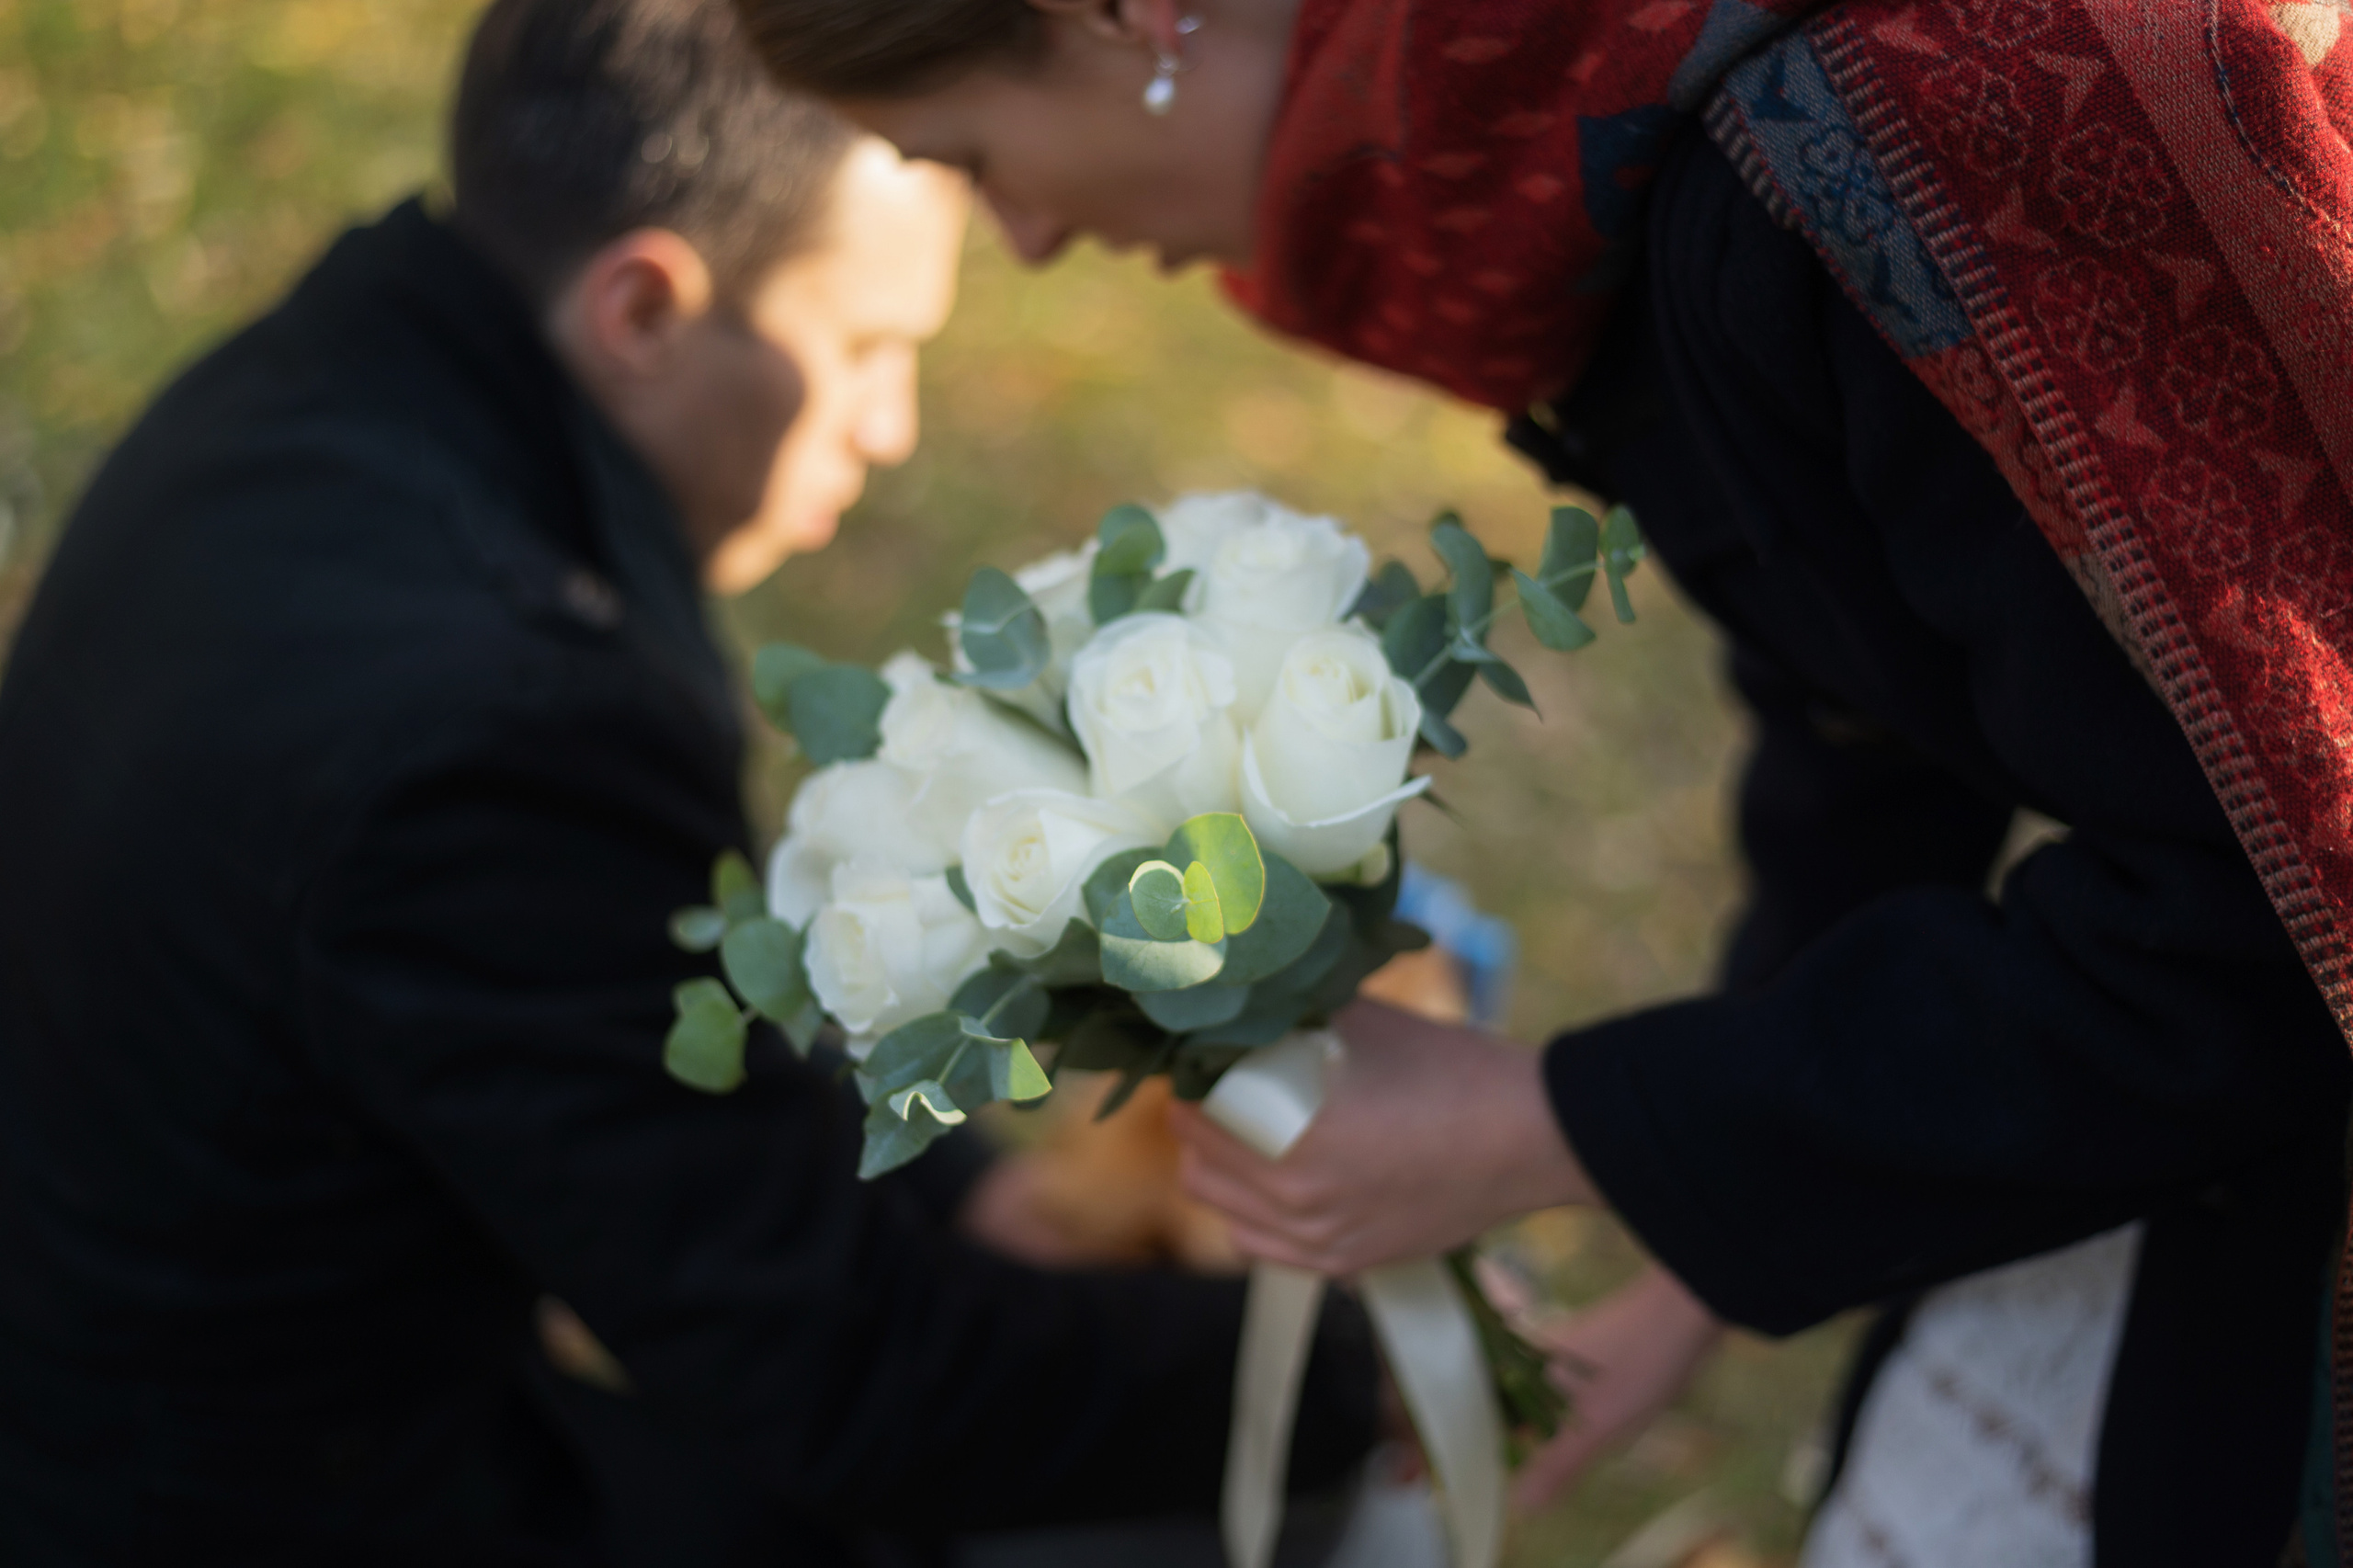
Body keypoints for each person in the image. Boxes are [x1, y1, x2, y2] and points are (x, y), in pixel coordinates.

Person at [731, 0, 2353, 1560]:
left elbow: (2274, 920)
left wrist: (1563, 1124)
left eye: (965, 157)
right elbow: (1877, 724)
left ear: (1120, 13)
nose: (1021, 237)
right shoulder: (1593, 153)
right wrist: (1691, 1258)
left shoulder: (1889, 124)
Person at [0, 0, 1381, 1561]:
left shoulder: (303, 400)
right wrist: (1341, 1371)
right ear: (645, 307)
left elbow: (615, 1061)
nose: (890, 426)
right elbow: (848, 1380)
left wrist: (958, 1206)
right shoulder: (502, 721)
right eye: (862, 347)